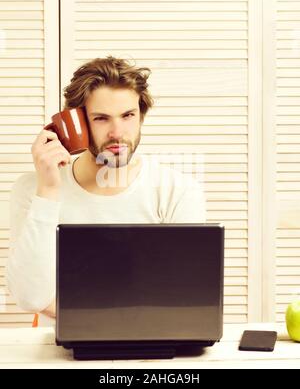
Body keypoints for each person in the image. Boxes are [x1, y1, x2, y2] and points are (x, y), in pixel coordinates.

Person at [6, 56, 206, 326]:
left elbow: (179, 297)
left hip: (148, 343)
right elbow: (31, 297)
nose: (117, 132)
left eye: (128, 116)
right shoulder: (33, 189)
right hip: (56, 353)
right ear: (76, 123)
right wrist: (49, 190)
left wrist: (75, 308)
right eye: (101, 118)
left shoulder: (178, 191)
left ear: (140, 117)